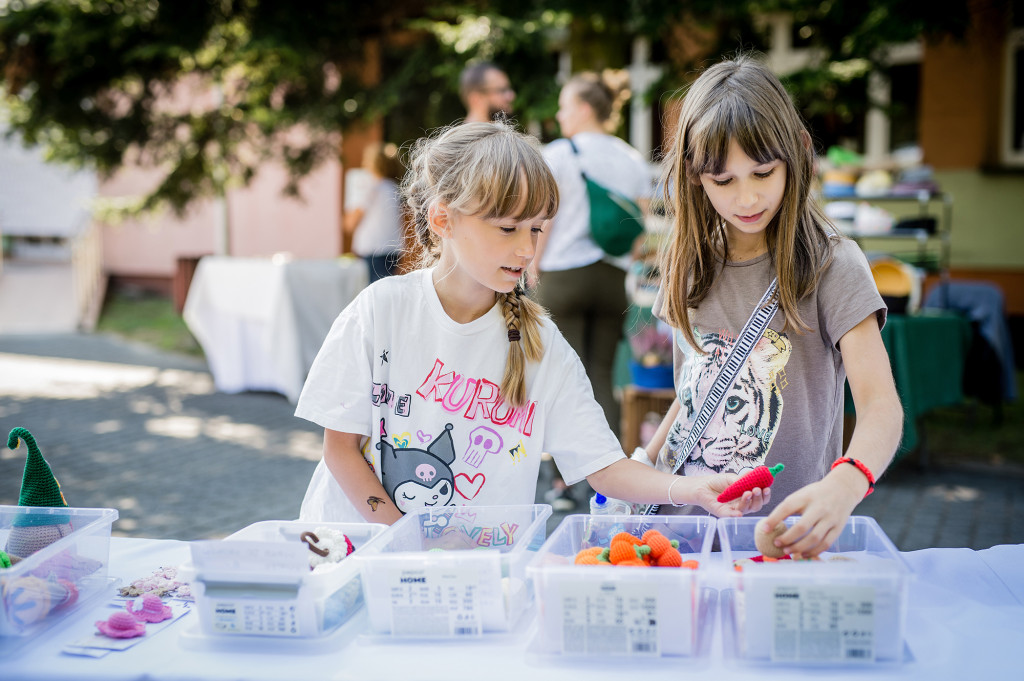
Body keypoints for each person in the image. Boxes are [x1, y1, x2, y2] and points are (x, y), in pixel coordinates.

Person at [294, 120, 762, 525]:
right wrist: (409, 540)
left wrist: (691, 489)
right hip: (351, 558)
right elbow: (339, 450)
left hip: (470, 578)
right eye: (507, 228)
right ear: (443, 219)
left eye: (536, 228)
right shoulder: (380, 311)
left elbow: (602, 467)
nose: (527, 248)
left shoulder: (542, 344)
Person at [637, 55, 903, 558]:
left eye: (763, 172)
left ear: (797, 153)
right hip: (677, 539)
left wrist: (848, 483)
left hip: (780, 541)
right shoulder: (687, 262)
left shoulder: (832, 263)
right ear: (694, 176)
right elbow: (699, 390)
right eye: (723, 180)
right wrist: (642, 466)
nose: (747, 197)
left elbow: (881, 405)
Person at [530, 71, 652, 510]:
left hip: (563, 276)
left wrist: (532, 267)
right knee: (601, 375)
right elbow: (639, 233)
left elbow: (543, 220)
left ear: (583, 108)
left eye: (565, 105)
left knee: (554, 377)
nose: (560, 114)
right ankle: (610, 484)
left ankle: (561, 486)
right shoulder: (631, 159)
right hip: (610, 281)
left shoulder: (559, 154)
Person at [344, 142, 405, 284]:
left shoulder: (370, 188)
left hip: (374, 250)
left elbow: (351, 223)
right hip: (393, 249)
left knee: (375, 293)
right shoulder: (393, 187)